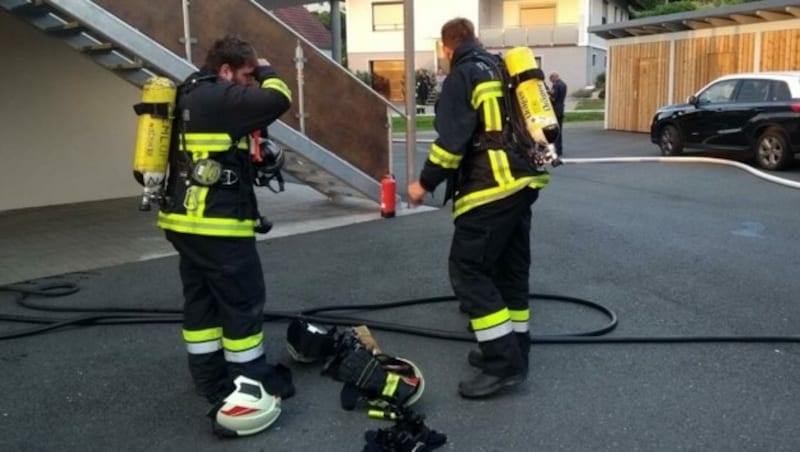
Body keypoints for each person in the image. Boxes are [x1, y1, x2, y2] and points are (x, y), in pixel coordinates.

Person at [156, 35, 294, 435]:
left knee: (201, 301)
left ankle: (208, 378)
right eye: (247, 75)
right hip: (216, 225)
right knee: (242, 300)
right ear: (226, 70)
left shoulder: (190, 93)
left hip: (183, 223)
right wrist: (267, 67)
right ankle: (248, 381)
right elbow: (278, 98)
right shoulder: (220, 95)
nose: (250, 84)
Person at [407, 18, 550, 399]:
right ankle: (515, 348)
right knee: (510, 270)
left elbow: (449, 145)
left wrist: (423, 184)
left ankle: (502, 364)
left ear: (447, 48)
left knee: (468, 270)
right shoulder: (501, 68)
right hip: (523, 183)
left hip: (489, 189)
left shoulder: (463, 75)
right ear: (475, 39)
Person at [548, 71, 567, 156]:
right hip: (561, 108)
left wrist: (548, 95)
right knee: (559, 130)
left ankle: (557, 150)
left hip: (555, 109)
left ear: (553, 77)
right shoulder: (564, 84)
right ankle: (559, 150)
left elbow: (553, 98)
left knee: (555, 131)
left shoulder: (556, 85)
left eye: (551, 80)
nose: (551, 82)